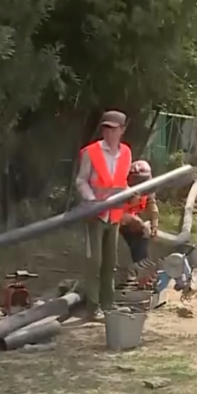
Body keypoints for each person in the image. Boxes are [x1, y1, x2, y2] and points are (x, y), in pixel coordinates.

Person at [75, 110, 132, 321]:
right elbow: (81, 181)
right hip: (95, 214)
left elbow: (122, 180)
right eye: (105, 128)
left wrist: (128, 193)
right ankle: (93, 307)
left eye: (113, 129)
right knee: (94, 261)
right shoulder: (92, 152)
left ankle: (108, 304)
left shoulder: (126, 153)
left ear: (122, 131)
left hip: (114, 214)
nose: (109, 133)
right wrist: (91, 201)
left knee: (110, 261)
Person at [119, 160, 160, 264]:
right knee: (121, 247)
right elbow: (110, 212)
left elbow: (151, 204)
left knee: (143, 233)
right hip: (113, 224)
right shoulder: (119, 187)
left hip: (130, 223)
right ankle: (125, 271)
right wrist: (129, 219)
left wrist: (154, 224)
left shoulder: (148, 188)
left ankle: (142, 267)